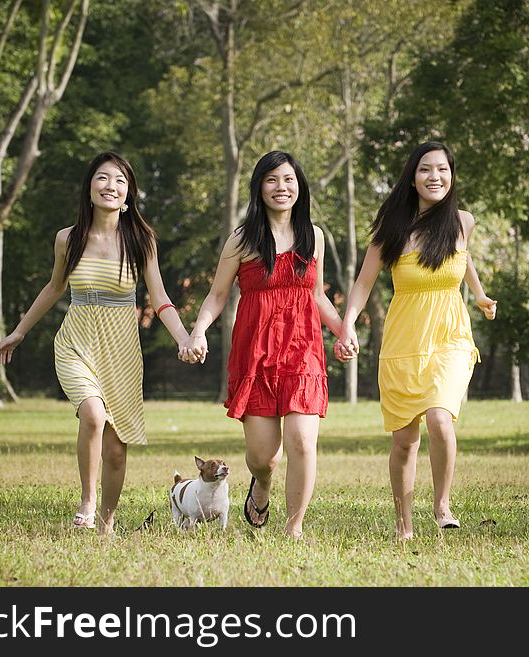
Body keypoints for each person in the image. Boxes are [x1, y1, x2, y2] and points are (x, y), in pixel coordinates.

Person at [0, 151, 193, 535]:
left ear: (129, 192)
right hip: (76, 341)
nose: (111, 187)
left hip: (120, 350)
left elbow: (160, 298)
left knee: (116, 450)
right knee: (93, 415)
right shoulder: (67, 239)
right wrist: (19, 331)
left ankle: (106, 522)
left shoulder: (141, 239)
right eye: (102, 178)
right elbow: (55, 288)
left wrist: (184, 337)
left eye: (120, 181)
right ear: (89, 188)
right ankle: (87, 501)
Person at [181, 150, 352, 539]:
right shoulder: (242, 240)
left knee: (302, 441)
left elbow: (318, 296)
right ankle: (262, 484)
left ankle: (294, 526)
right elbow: (217, 294)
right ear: (259, 187)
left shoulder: (314, 237)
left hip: (303, 349)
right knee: (263, 457)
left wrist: (345, 331)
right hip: (255, 352)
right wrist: (199, 330)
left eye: (289, 179)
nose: (281, 187)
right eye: (272, 180)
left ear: (299, 187)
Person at [340, 141, 497, 540]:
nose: (435, 177)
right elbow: (362, 283)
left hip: (451, 336)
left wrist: (477, 295)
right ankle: (403, 525)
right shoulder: (392, 229)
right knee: (405, 441)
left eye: (442, 169)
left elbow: (464, 258)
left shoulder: (463, 221)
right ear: (412, 178)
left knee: (440, 416)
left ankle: (442, 504)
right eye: (426, 169)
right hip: (404, 340)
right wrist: (347, 326)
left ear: (452, 175)